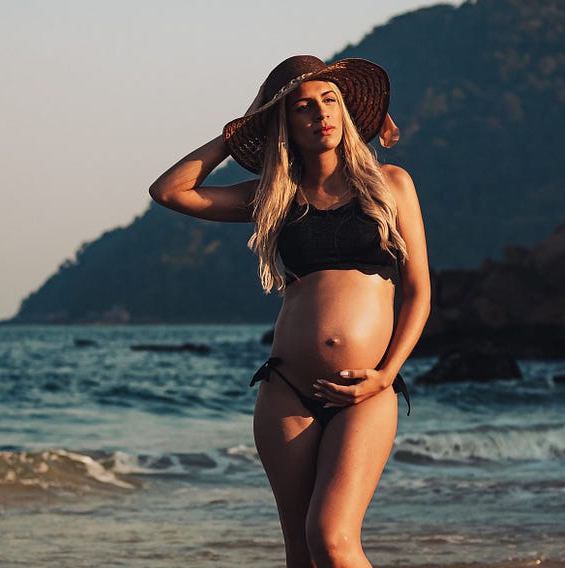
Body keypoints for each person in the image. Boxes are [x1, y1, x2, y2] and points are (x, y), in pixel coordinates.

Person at [149, 55, 430, 568]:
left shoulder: (392, 184)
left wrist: (386, 376)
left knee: (332, 539)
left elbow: (418, 292)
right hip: (286, 390)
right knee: (300, 553)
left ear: (345, 112)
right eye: (303, 107)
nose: (320, 114)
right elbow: (170, 191)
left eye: (330, 101)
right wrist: (237, 134)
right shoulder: (272, 196)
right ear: (285, 124)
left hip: (367, 388)